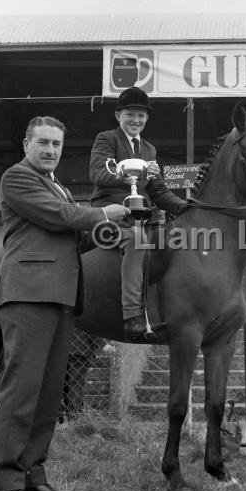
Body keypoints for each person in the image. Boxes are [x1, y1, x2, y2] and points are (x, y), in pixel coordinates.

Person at [0, 116, 131, 491]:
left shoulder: (58, 186)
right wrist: (106, 213)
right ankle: (5, 483)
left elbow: (76, 234)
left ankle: (34, 476)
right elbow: (60, 217)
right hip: (28, 294)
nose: (50, 150)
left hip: (61, 296)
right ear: (26, 144)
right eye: (43, 143)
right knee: (22, 390)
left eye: (56, 145)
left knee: (48, 394)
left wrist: (120, 229)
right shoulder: (17, 179)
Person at [89, 86, 186, 339]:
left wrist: (186, 207)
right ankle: (132, 315)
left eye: (142, 115)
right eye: (131, 114)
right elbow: (98, 174)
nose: (136, 120)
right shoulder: (106, 139)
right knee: (137, 240)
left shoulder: (150, 150)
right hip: (111, 213)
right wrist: (133, 173)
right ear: (118, 115)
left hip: (143, 215)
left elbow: (160, 192)